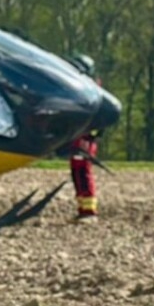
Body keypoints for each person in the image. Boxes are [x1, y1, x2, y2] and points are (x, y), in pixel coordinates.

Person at [68, 54, 101, 220]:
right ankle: (83, 208)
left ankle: (89, 211)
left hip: (85, 138)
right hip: (78, 135)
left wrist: (90, 136)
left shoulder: (91, 91)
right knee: (76, 171)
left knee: (83, 171)